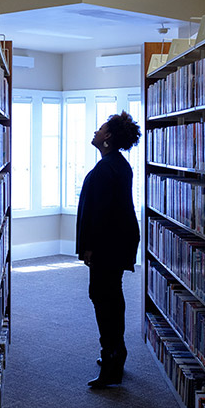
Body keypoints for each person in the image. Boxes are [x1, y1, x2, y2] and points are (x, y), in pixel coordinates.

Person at [76, 110, 141, 388]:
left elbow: (100, 214)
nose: (95, 131)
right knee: (112, 298)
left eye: (100, 129)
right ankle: (117, 354)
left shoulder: (107, 168)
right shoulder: (118, 164)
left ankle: (111, 361)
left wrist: (89, 248)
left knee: (103, 300)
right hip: (118, 243)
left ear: (108, 137)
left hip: (107, 245)